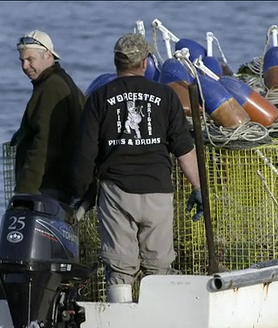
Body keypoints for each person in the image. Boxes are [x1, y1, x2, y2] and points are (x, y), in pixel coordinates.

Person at [71, 33, 204, 303]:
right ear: (145, 62)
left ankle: (120, 322)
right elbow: (184, 149)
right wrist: (199, 187)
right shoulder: (166, 96)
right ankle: (159, 318)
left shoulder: (99, 98)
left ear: (116, 63)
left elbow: (85, 153)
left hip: (116, 192)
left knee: (119, 265)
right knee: (158, 263)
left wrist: (82, 191)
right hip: (158, 192)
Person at [12, 30, 86, 203]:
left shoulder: (52, 87)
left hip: (47, 187)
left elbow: (44, 143)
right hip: (58, 185)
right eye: (22, 61)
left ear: (48, 55)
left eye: (30, 60)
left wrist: (25, 190)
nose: (24, 66)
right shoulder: (60, 81)